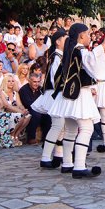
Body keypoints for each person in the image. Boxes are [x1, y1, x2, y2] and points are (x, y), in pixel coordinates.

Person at [47, 23, 105, 178]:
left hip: (68, 95)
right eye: (87, 34)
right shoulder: (80, 50)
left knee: (71, 130)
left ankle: (67, 163)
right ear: (81, 35)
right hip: (79, 95)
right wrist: (104, 44)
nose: (89, 37)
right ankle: (79, 166)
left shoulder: (70, 50)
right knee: (87, 128)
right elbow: (93, 65)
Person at [34, 29, 67, 169]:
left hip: (60, 94)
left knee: (62, 127)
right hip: (56, 94)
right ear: (58, 42)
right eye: (65, 39)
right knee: (57, 126)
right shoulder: (56, 57)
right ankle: (45, 157)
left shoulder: (61, 56)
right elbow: (56, 79)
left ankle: (58, 154)